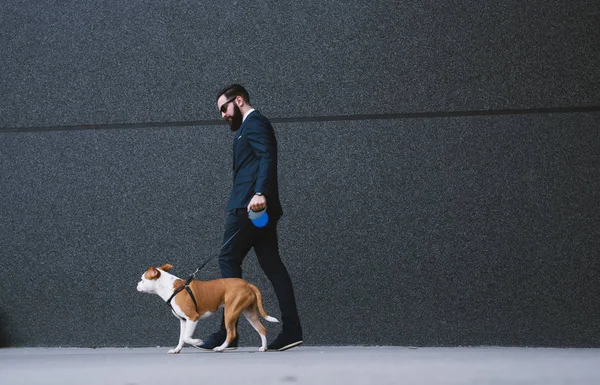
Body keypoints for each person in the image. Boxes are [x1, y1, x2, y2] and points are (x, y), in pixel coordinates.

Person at [199, 84, 303, 351]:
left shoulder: (255, 123)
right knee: (272, 265)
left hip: (251, 206)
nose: (222, 114)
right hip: (258, 209)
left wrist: (259, 193)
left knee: (228, 257)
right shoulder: (246, 128)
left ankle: (228, 334)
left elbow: (267, 155)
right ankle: (292, 330)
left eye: (224, 108)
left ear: (239, 100)